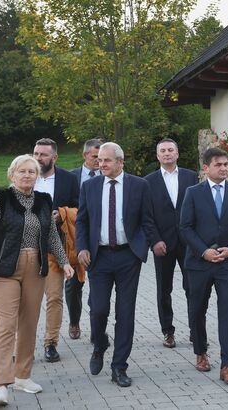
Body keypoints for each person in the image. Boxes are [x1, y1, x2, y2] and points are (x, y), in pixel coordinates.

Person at [0, 155, 74, 406]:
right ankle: (2, 385)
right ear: (12, 174)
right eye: (22, 171)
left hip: (36, 268)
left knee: (29, 324)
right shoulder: (2, 199)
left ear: (37, 176)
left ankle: (23, 376)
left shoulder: (43, 200)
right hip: (4, 269)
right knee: (6, 326)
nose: (27, 175)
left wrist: (64, 262)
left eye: (32, 171)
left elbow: (51, 236)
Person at [75, 142, 155, 388]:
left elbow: (147, 220)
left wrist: (146, 246)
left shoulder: (139, 185)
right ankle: (100, 345)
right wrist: (82, 247)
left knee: (125, 312)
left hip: (128, 257)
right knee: (98, 309)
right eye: (99, 160)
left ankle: (119, 366)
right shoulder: (89, 186)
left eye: (107, 160)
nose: (101, 164)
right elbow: (82, 221)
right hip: (98, 257)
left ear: (120, 162)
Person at [180, 147, 228, 386]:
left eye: (226, 164)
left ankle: (227, 365)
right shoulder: (193, 193)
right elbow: (185, 227)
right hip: (199, 263)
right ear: (206, 168)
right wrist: (204, 251)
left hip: (227, 264)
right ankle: (200, 352)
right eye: (218, 164)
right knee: (197, 309)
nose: (223, 168)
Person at [144, 138, 201, 348]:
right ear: (157, 156)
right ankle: (168, 331)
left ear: (177, 154)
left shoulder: (191, 176)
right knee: (163, 289)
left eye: (170, 150)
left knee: (193, 287)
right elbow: (146, 215)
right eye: (163, 151)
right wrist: (154, 241)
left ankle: (196, 331)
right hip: (162, 243)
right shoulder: (148, 181)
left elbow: (198, 209)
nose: (167, 153)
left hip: (189, 243)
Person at [33, 138, 79, 362]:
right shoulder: (26, 175)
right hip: (26, 249)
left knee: (54, 298)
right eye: (36, 153)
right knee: (25, 301)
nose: (38, 158)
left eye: (43, 154)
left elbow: (81, 208)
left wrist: (62, 214)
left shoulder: (69, 179)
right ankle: (21, 345)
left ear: (54, 157)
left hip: (55, 248)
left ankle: (50, 343)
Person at [67, 138, 103, 340]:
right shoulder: (71, 177)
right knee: (74, 283)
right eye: (95, 156)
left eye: (102, 157)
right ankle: (74, 321)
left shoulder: (108, 176)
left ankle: (96, 326)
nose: (99, 161)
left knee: (99, 285)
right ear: (85, 155)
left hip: (101, 239)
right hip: (75, 236)